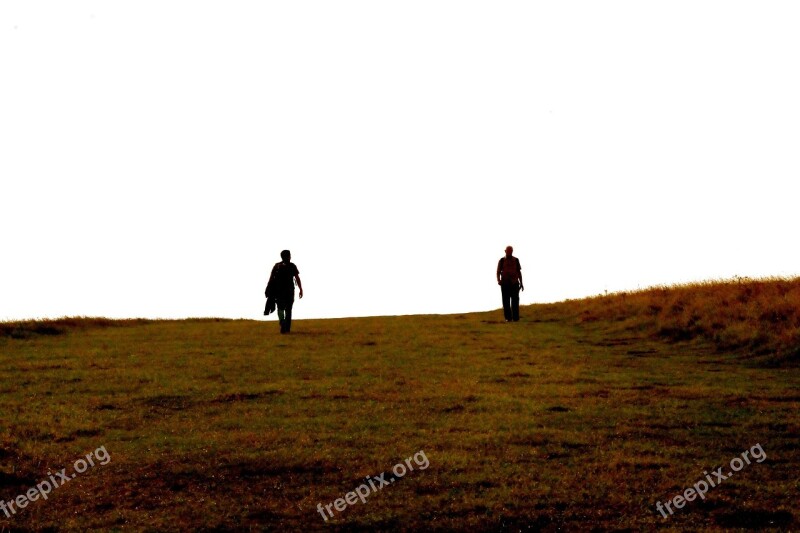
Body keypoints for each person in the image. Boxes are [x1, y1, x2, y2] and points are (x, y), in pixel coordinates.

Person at [266, 250, 303, 333]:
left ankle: (282, 322)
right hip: (289, 291)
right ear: (288, 256)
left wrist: (268, 288)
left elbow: (271, 278)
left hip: (279, 291)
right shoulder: (292, 266)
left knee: (280, 308)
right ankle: (287, 328)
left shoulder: (277, 266)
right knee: (288, 309)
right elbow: (297, 278)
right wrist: (300, 289)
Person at [496, 246, 524, 322]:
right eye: (508, 251)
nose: (509, 253)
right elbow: (498, 271)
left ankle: (516, 318)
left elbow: (519, 272)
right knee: (506, 301)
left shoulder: (516, 260)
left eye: (510, 251)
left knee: (515, 301)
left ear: (512, 251)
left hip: (514, 283)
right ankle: (508, 318)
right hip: (505, 284)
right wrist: (498, 280)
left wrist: (521, 283)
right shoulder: (501, 261)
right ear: (505, 251)